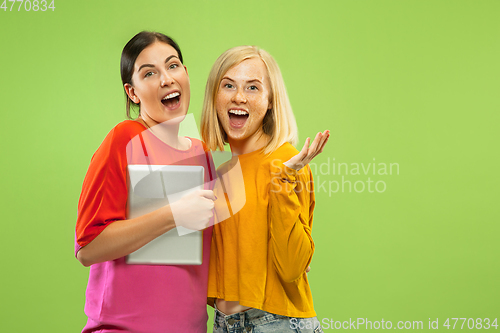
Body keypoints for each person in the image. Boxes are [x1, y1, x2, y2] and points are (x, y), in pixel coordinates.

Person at [75, 31, 216, 333]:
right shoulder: (124, 139)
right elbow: (89, 247)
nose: (166, 79)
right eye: (149, 73)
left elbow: (212, 258)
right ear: (133, 92)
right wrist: (173, 214)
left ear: (186, 73)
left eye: (173, 65)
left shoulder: (201, 152)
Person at [201, 45, 329, 332]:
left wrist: (284, 183)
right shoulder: (219, 175)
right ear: (214, 96)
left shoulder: (287, 161)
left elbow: (293, 266)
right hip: (224, 324)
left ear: (270, 101)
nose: (238, 97)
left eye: (253, 88)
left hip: (276, 323)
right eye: (228, 85)